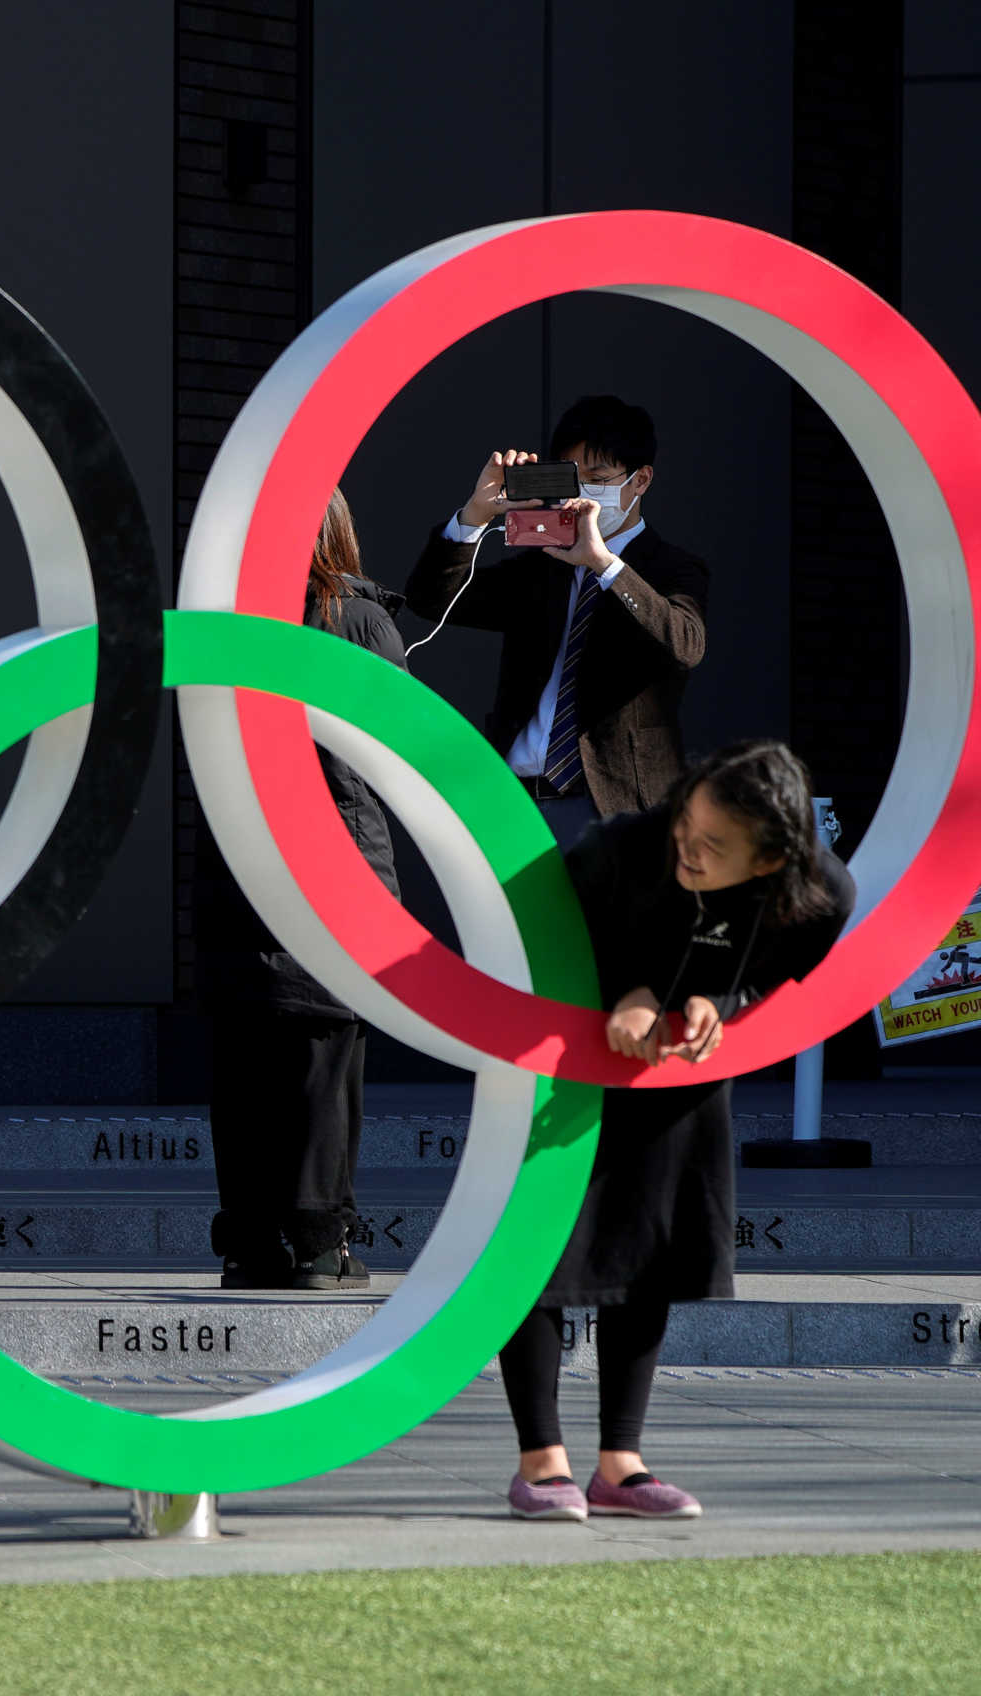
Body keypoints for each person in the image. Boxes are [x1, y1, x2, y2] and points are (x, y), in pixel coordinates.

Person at [501, 740, 852, 1523]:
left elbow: (783, 974)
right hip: (563, 1057)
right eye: (686, 826)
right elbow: (536, 923)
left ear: (769, 863)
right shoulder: (623, 843)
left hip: (678, 1078)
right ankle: (542, 1461)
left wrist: (718, 1006)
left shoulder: (820, 893)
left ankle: (620, 1464)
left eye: (713, 847)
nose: (686, 850)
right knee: (540, 1251)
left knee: (649, 1246)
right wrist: (619, 992)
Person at [198, 490, 401, 1291]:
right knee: (325, 1062)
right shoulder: (357, 618)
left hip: (237, 861)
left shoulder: (220, 624)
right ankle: (320, 1245)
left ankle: (250, 1247)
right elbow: (395, 748)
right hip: (336, 864)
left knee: (242, 1061)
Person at [404, 395, 708, 849]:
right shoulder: (544, 562)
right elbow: (431, 601)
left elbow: (685, 644)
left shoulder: (673, 568)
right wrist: (474, 515)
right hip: (514, 796)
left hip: (613, 803)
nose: (583, 494)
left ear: (641, 480)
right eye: (572, 479)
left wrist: (606, 566)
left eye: (599, 479)